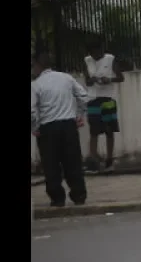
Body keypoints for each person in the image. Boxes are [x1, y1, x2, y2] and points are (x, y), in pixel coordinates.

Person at [31, 52, 88, 207]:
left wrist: (35, 127)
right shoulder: (66, 78)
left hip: (47, 128)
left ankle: (57, 198)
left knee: (51, 165)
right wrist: (80, 115)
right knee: (73, 161)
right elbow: (83, 96)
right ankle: (79, 195)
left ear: (38, 66)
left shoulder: (36, 84)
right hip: (68, 125)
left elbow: (32, 110)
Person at [84, 40, 124, 173]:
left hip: (107, 98)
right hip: (93, 98)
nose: (97, 55)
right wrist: (93, 80)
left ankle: (109, 160)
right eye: (94, 53)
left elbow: (121, 77)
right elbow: (87, 82)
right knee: (94, 130)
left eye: (99, 52)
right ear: (90, 53)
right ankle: (93, 160)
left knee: (109, 129)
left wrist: (109, 80)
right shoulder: (87, 61)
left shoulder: (110, 59)